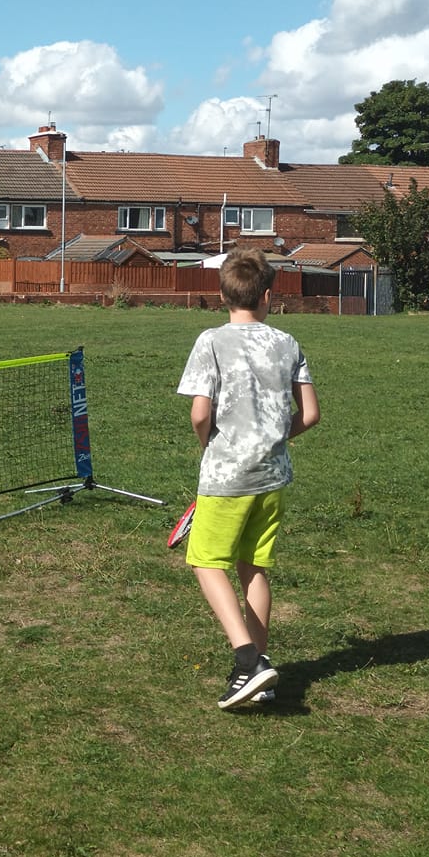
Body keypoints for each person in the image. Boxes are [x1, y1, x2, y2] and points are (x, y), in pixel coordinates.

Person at [176, 247, 321, 709]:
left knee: (205, 561)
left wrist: (209, 446)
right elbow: (311, 414)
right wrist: (276, 439)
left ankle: (248, 662)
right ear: (268, 296)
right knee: (252, 567)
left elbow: (201, 413)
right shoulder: (288, 342)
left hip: (226, 475)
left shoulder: (210, 341)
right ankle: (259, 667)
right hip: (273, 475)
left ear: (222, 295)